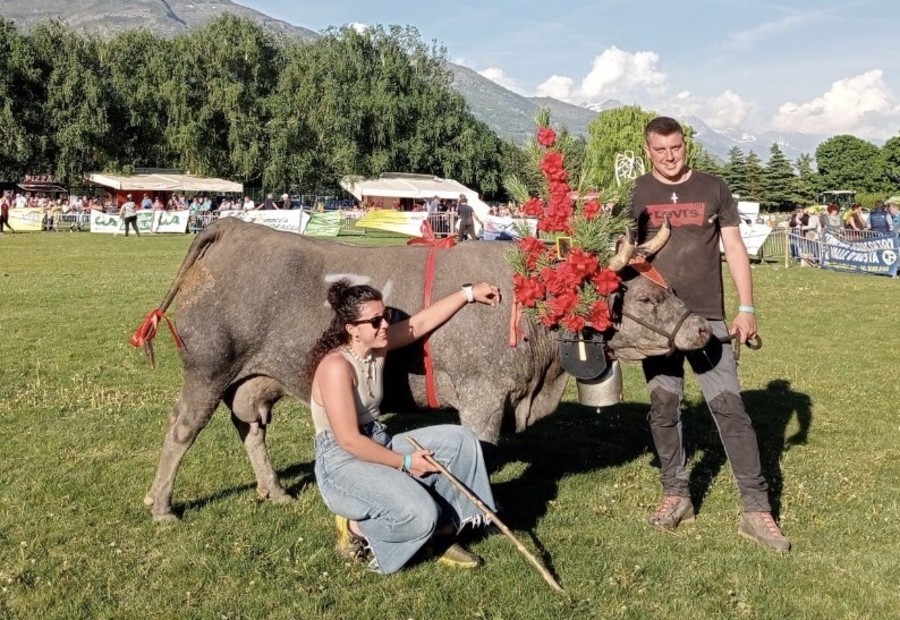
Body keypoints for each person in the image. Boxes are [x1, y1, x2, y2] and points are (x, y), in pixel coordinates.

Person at [630, 116, 790, 552]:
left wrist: (747, 307)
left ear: (686, 145)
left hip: (708, 321)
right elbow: (624, 255)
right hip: (659, 323)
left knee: (730, 408)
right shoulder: (636, 193)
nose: (669, 157)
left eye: (676, 148)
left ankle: (756, 510)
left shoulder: (713, 188)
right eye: (660, 150)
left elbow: (734, 247)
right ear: (648, 150)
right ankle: (676, 495)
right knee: (663, 407)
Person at [303, 279, 501, 573]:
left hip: (377, 440)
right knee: (421, 513)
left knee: (460, 440)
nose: (384, 324)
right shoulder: (336, 367)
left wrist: (469, 294)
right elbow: (349, 440)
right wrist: (406, 462)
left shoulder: (376, 346)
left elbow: (419, 323)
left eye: (385, 316)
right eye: (375, 321)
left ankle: (444, 533)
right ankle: (355, 528)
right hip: (341, 460)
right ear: (352, 329)